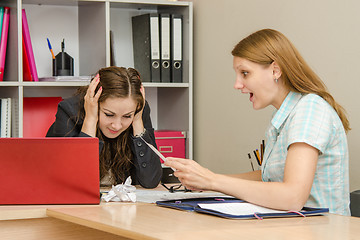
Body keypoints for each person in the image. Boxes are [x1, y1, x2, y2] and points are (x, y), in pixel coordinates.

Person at [165, 29, 351, 215]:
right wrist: (206, 181)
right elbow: (268, 178)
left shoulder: (310, 109)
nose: (237, 84)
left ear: (275, 70)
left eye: (245, 73)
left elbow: (292, 197)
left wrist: (212, 180)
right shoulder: (285, 115)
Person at [47, 66, 162, 188]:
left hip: (120, 205)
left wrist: (137, 121)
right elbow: (73, 182)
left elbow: (150, 181)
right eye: (109, 114)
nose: (117, 125)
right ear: (95, 104)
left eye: (127, 116)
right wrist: (90, 120)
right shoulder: (69, 111)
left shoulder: (138, 112)